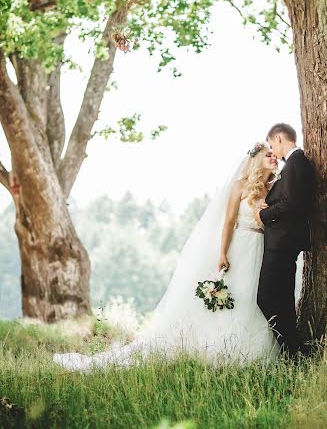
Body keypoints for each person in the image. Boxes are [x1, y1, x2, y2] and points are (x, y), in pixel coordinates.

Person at [53, 143, 282, 372]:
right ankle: (215, 345)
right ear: (256, 160)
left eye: (275, 155)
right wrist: (222, 252)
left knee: (250, 295)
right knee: (232, 293)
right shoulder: (240, 186)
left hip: (258, 248)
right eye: (268, 155)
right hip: (238, 246)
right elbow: (229, 221)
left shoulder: (272, 189)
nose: (273, 158)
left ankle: (248, 349)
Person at [254, 123, 315, 357]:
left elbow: (291, 203)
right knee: (281, 299)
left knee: (266, 297)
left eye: (272, 145)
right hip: (284, 241)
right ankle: (294, 352)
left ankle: (292, 351)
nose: (272, 151)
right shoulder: (294, 164)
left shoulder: (296, 162)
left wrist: (263, 214)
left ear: (279, 138)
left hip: (283, 243)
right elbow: (289, 199)